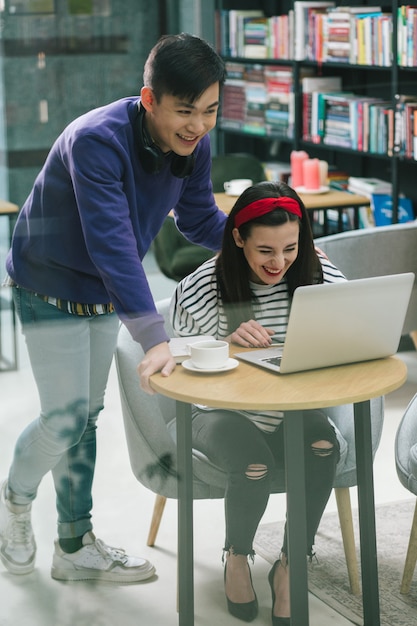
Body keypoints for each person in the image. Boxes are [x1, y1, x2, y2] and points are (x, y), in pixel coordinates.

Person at [0, 33, 227, 582]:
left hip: (101, 294)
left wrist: (259, 240)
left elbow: (198, 220)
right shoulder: (96, 140)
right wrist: (155, 337)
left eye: (210, 111)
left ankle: (74, 545)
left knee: (86, 419)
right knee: (64, 418)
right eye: (185, 111)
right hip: (48, 283)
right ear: (149, 100)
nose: (197, 125)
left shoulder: (192, 147)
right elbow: (113, 244)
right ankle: (13, 504)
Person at [170, 180, 347, 624]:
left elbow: (354, 318)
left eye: (290, 248)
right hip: (218, 411)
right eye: (266, 250)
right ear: (238, 237)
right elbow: (170, 347)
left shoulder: (313, 269)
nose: (280, 262)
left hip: (289, 405)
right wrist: (224, 339)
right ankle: (237, 556)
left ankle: (291, 564)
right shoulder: (208, 282)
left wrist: (325, 277)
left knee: (324, 446)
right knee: (254, 465)